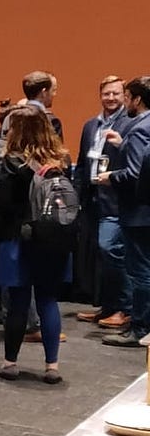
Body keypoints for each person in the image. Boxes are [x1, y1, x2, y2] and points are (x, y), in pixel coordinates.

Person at [0, 106, 72, 383]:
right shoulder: (61, 160)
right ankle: (52, 367)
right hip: (54, 240)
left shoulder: (12, 162)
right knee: (48, 301)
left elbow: (4, 205)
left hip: (19, 239)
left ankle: (10, 363)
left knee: (19, 303)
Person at [95, 76, 150, 349]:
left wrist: (110, 177)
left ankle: (139, 328)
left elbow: (135, 173)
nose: (124, 102)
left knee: (141, 272)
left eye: (126, 96)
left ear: (137, 99)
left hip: (138, 213)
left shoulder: (140, 128)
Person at [76, 75, 131, 330]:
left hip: (116, 199)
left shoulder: (130, 123)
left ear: (125, 96)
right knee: (100, 254)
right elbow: (82, 161)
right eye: (107, 93)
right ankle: (107, 307)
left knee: (111, 249)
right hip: (92, 198)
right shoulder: (90, 125)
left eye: (116, 94)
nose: (111, 98)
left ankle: (125, 308)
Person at [20, 70, 64, 140]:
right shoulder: (51, 121)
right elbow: (56, 149)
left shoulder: (11, 117)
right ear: (43, 92)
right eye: (53, 90)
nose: (54, 94)